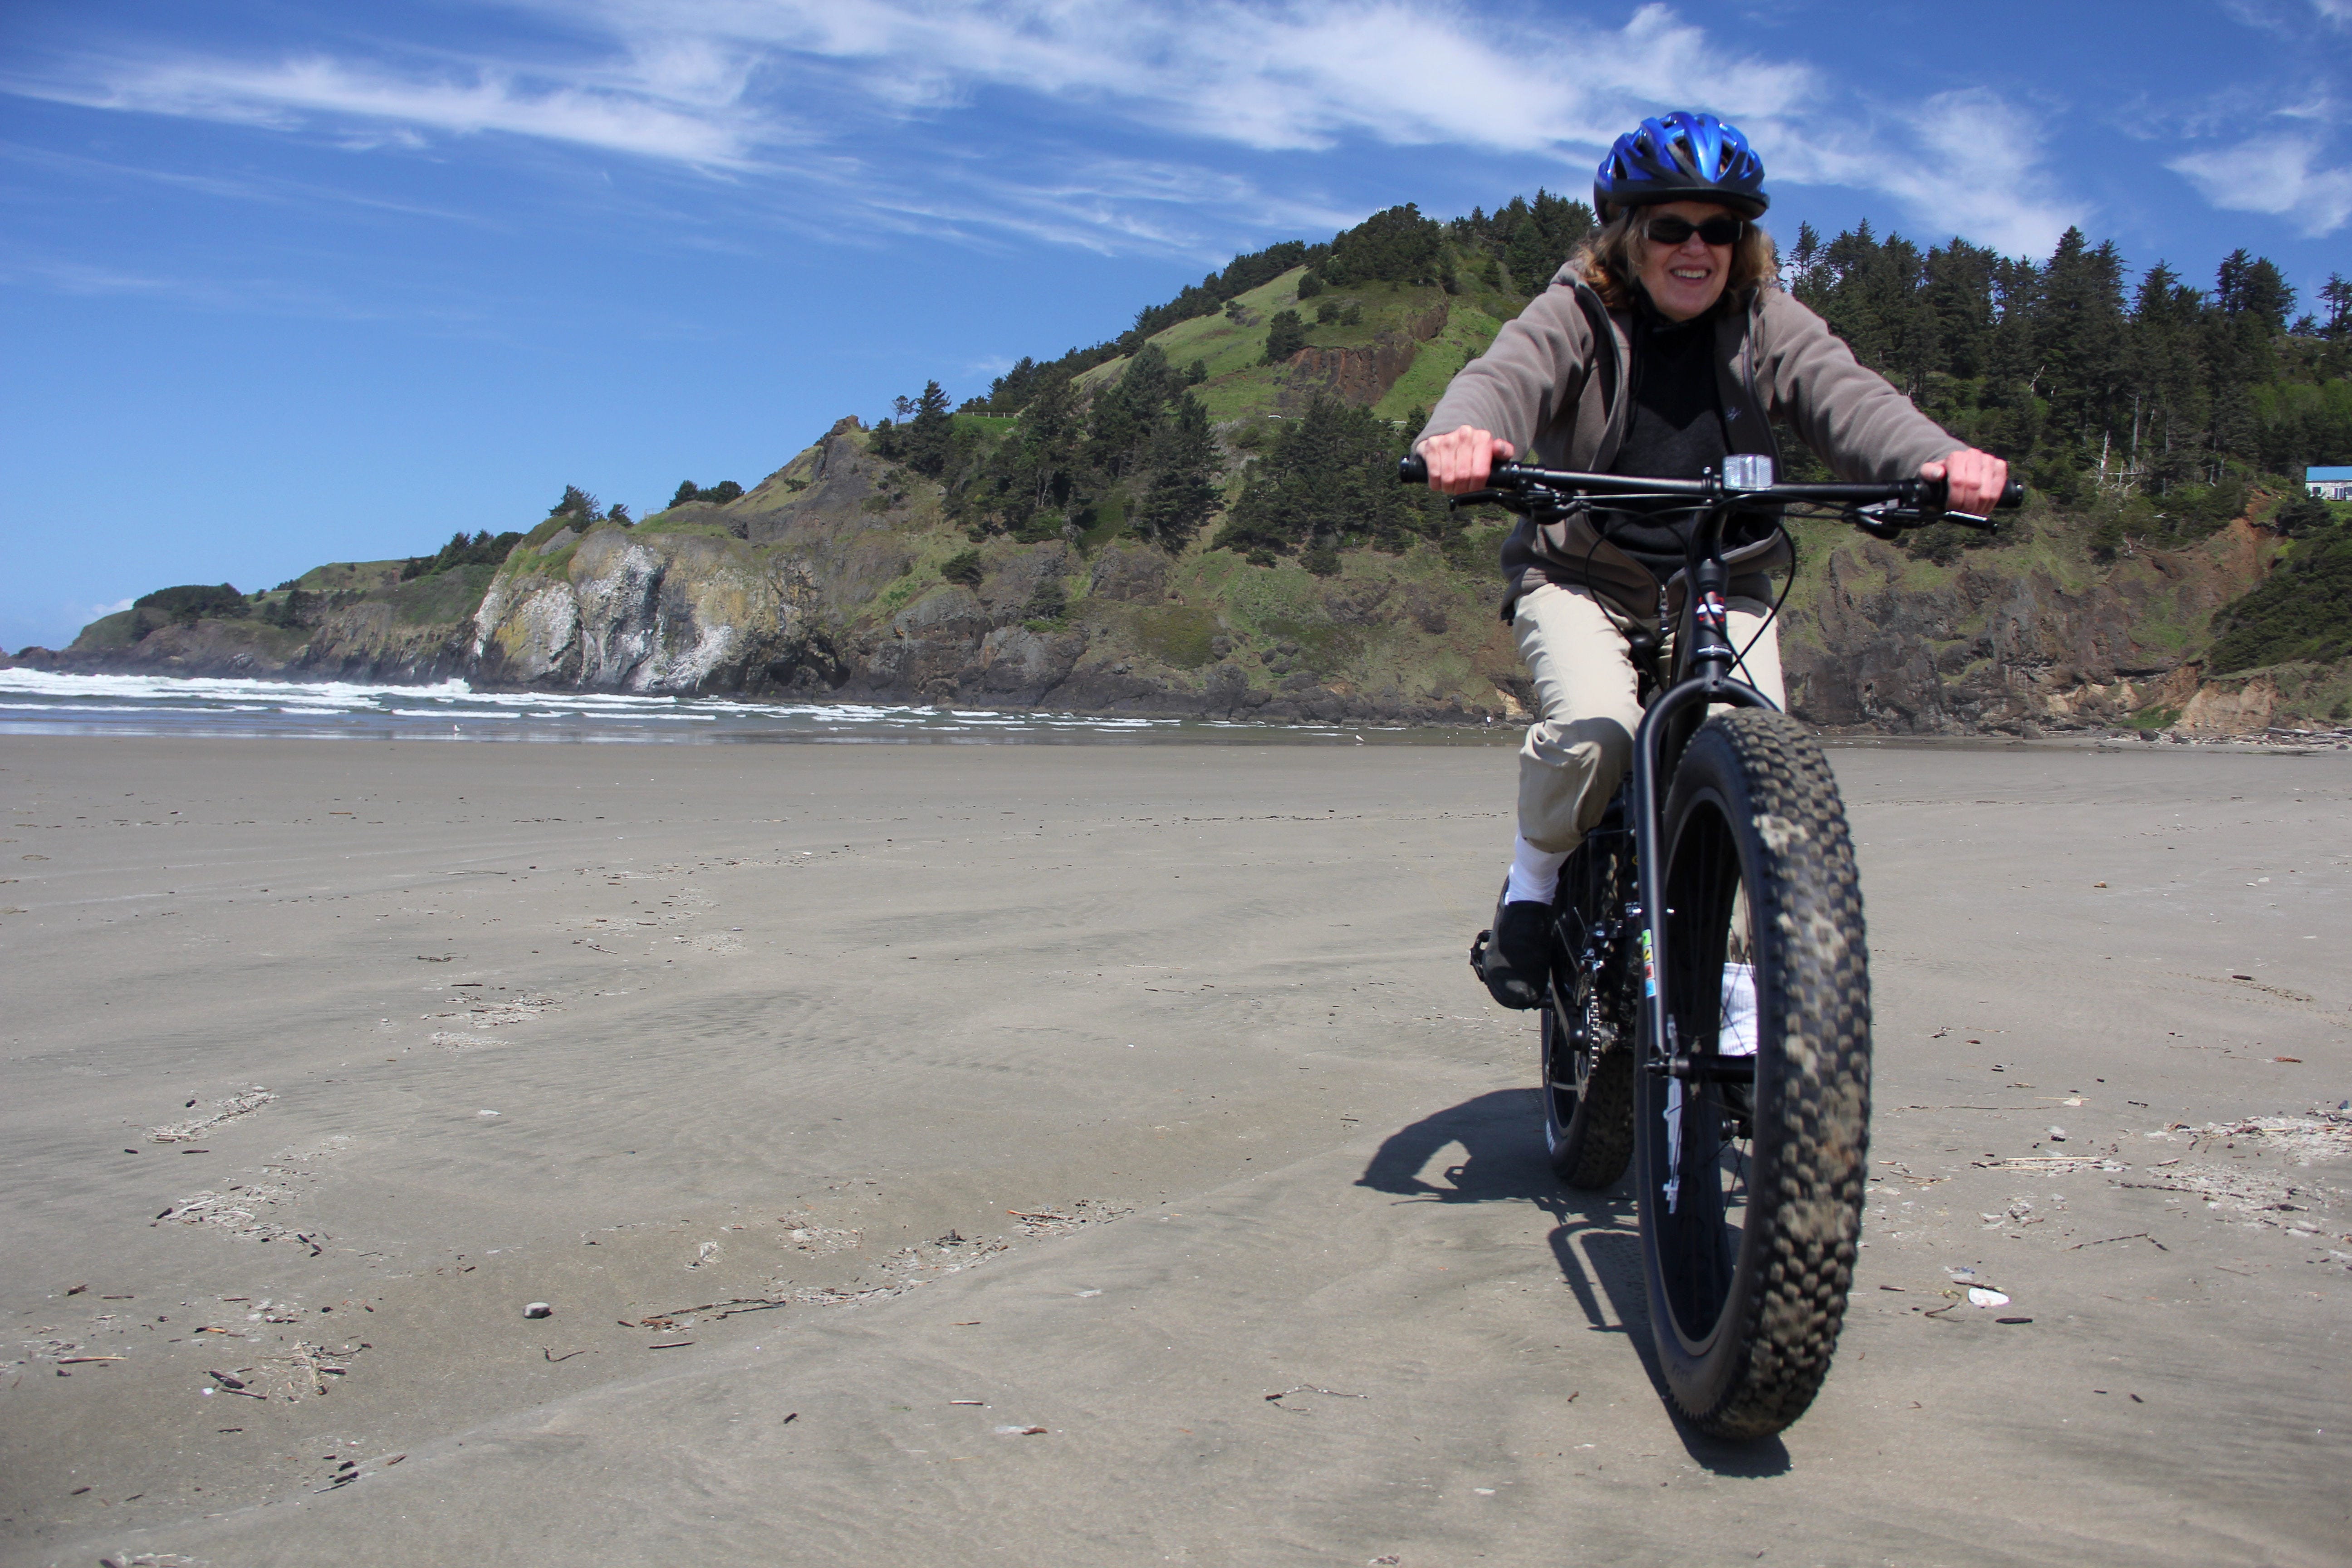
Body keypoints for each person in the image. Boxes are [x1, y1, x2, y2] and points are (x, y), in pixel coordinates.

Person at [1416, 111, 2009, 1009]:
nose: (1697, 248)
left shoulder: (1767, 320)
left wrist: (1932, 462)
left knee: (1758, 757)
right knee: (1599, 730)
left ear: (1744, 241)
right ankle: (1532, 885)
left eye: (1720, 229)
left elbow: (1849, 396)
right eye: (1671, 227)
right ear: (1627, 234)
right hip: (1584, 578)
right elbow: (1506, 374)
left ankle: (1732, 962)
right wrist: (1466, 438)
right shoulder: (1578, 311)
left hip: (1722, 582)